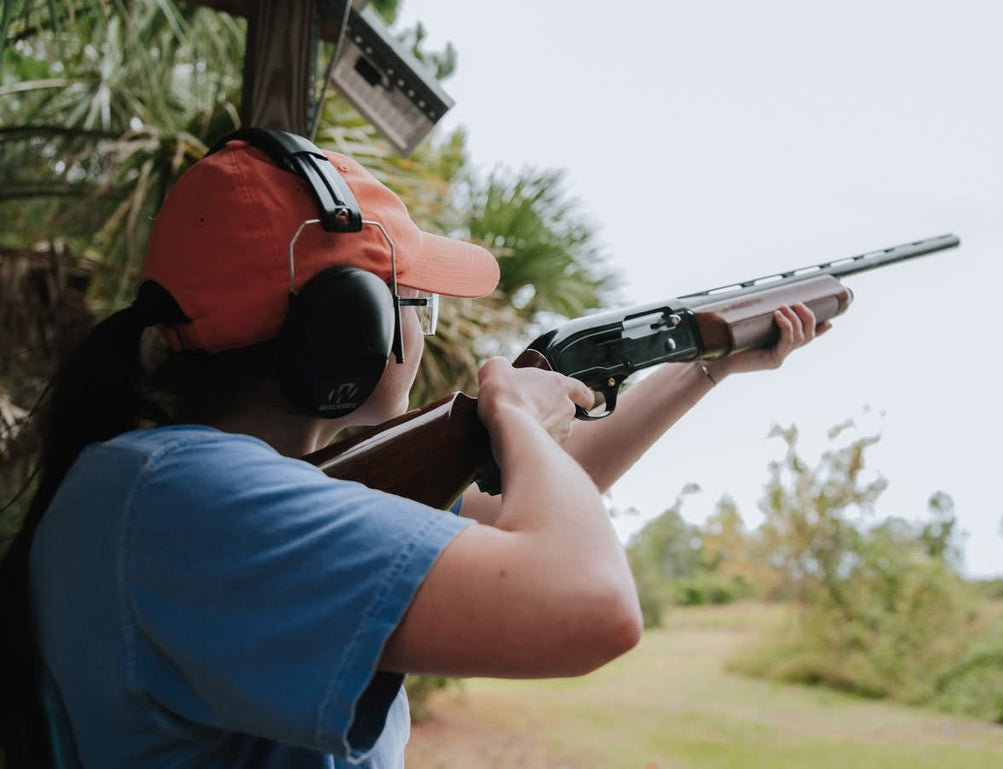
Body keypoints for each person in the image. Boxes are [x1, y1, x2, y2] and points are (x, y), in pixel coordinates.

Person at [0, 132, 827, 769]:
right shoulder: (191, 500)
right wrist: (513, 413)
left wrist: (703, 369)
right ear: (347, 327)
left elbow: (519, 517)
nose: (423, 324)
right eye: (414, 299)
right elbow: (590, 605)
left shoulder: (182, 484)